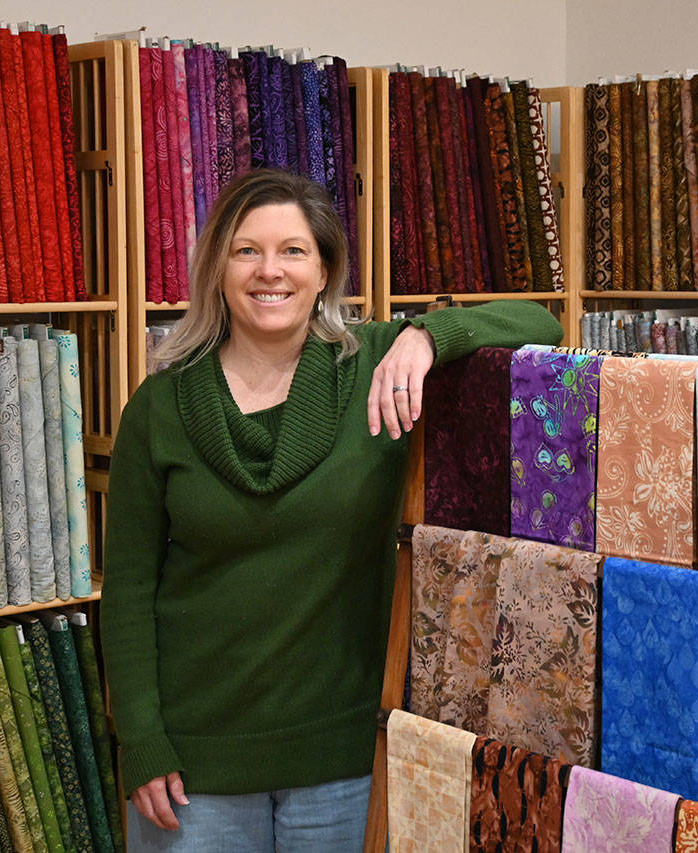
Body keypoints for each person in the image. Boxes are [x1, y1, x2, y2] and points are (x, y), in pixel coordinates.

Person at [102, 167, 563, 851]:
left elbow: (543, 322)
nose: (270, 271)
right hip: (192, 769)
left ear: (324, 271)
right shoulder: (160, 407)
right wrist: (139, 739)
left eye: (293, 250)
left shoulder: (373, 369)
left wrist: (424, 335)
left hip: (345, 762)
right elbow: (130, 591)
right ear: (218, 270)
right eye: (246, 250)